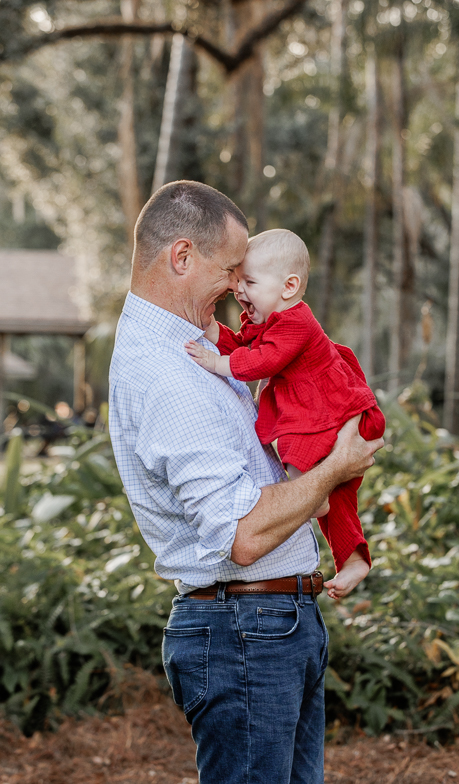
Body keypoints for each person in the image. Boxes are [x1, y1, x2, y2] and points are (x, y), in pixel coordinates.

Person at [108, 181, 383, 784]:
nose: (239, 287)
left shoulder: (188, 347)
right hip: (245, 633)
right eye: (232, 270)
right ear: (182, 257)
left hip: (267, 628)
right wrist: (337, 466)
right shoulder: (169, 378)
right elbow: (243, 536)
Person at [186, 228, 385, 599]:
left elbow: (261, 361)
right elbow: (244, 345)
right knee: (338, 497)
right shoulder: (267, 322)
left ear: (288, 287)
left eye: (249, 281)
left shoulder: (297, 321)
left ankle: (310, 494)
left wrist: (215, 363)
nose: (238, 290)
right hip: (312, 412)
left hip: (324, 410)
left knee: (314, 483)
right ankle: (354, 559)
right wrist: (212, 329)